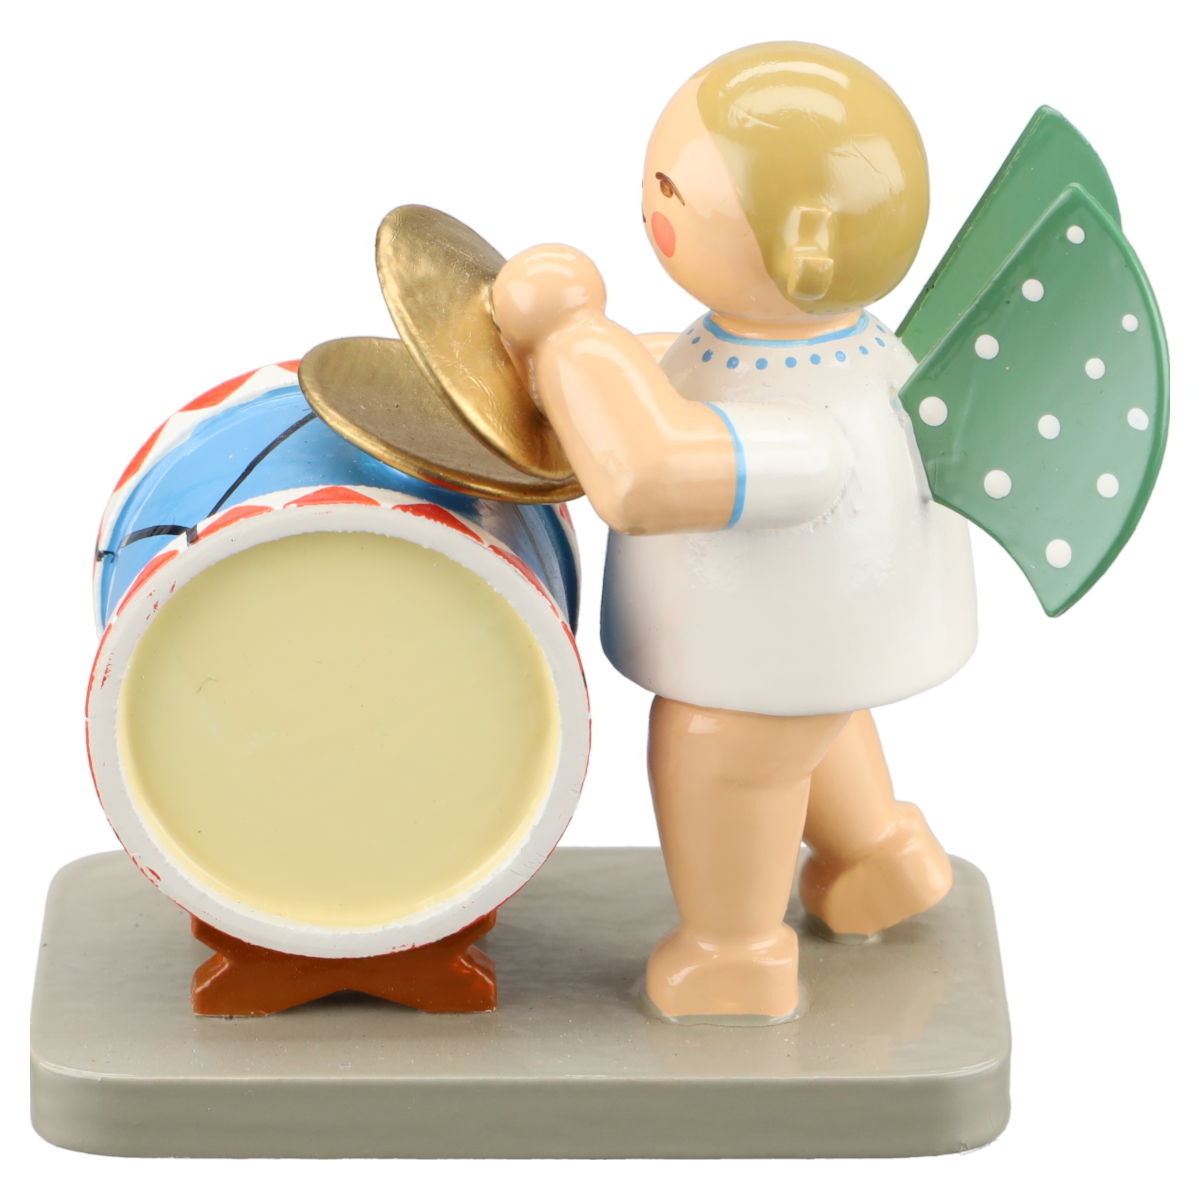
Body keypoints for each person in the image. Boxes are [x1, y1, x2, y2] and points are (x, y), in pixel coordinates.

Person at [492, 42, 976, 1022]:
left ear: (800, 246)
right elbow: (677, 376)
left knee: (722, 756)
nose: (651, 207)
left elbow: (651, 473)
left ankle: (734, 954)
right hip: (805, 657)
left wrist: (571, 341)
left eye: (673, 189)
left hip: (759, 663)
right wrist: (588, 363)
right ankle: (879, 857)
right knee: (814, 726)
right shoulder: (848, 353)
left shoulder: (810, 426)